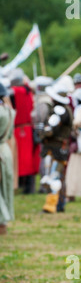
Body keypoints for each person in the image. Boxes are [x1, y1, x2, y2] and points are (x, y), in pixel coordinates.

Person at [39, 83, 73, 213]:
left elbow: (50, 130)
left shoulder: (60, 110)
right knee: (56, 176)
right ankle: (59, 204)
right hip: (55, 147)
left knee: (53, 177)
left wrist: (41, 132)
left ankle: (51, 206)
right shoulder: (64, 109)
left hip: (56, 148)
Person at [9, 69, 40, 194]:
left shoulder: (16, 91)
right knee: (28, 159)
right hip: (28, 128)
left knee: (22, 160)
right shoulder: (29, 91)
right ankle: (27, 186)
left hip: (20, 130)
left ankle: (24, 186)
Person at [0, 82, 16, 235]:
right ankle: (4, 221)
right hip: (5, 149)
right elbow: (9, 135)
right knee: (5, 188)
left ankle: (1, 221)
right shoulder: (10, 112)